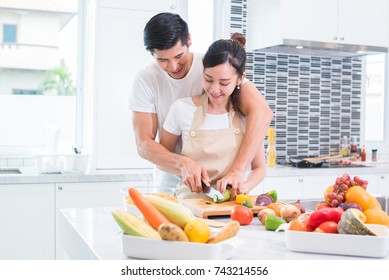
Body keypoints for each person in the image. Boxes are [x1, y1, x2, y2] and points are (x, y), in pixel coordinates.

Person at [129, 12, 272, 194]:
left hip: (220, 188)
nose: (173, 67)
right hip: (172, 178)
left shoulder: (213, 65)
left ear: (189, 40)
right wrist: (183, 164)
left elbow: (262, 112)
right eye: (162, 60)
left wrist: (238, 172)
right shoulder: (146, 79)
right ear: (151, 54)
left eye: (178, 56)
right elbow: (143, 145)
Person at [160, 33, 266, 198]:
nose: (215, 89)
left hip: (231, 208)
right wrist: (184, 166)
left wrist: (244, 185)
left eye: (224, 83)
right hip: (188, 205)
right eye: (209, 79)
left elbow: (259, 168)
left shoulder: (247, 117)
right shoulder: (182, 109)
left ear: (240, 79)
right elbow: (162, 160)